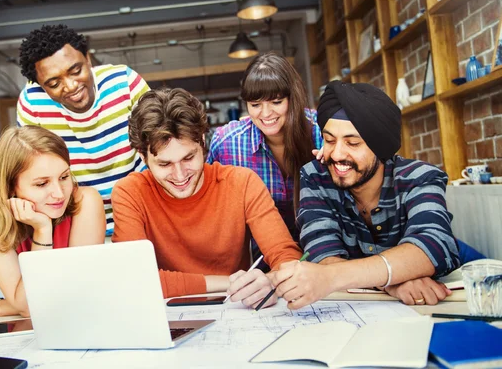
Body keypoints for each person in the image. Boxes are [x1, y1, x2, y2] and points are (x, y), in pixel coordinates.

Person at [268, 80, 461, 309]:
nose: (337, 154)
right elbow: (323, 257)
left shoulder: (420, 177)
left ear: (380, 148)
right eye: (329, 140)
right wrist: (392, 282)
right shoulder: (316, 177)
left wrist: (343, 276)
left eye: (352, 143)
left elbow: (434, 245)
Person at [111, 88, 303, 308]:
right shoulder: (129, 192)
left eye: (189, 158)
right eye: (165, 164)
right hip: (167, 313)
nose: (180, 175)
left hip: (235, 308)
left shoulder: (242, 183)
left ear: (202, 141)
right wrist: (230, 283)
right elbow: (134, 279)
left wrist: (269, 280)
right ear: (142, 156)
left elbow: (287, 257)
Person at [16, 24, 149, 236]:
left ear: (88, 58)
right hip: (79, 222)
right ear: (40, 85)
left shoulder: (124, 82)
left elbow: (157, 147)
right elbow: (36, 170)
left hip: (142, 213)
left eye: (76, 71)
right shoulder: (32, 103)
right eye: (53, 83)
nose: (70, 86)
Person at [0, 126, 105, 318]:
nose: (59, 193)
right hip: (28, 331)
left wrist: (0, 307)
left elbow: (79, 295)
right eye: (42, 183)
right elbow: (30, 307)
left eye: (64, 177)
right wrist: (42, 230)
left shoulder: (86, 201)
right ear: (10, 186)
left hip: (81, 319)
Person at [207, 53, 322, 262]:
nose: (265, 113)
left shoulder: (322, 132)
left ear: (292, 98)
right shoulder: (227, 142)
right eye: (255, 104)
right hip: (262, 260)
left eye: (276, 102)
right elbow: (209, 204)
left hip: (325, 250)